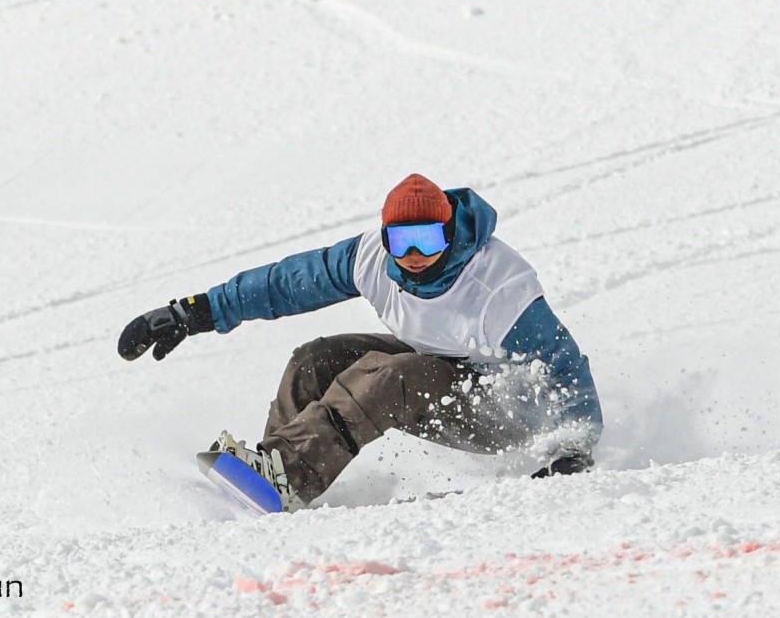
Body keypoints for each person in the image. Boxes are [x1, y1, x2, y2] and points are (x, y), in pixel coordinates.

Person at [118, 174, 602, 510]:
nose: (414, 255)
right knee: (316, 359)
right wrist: (196, 311)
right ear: (386, 237)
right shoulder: (371, 257)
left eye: (429, 240)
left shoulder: (496, 287)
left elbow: (563, 362)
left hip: (501, 412)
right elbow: (287, 283)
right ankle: (272, 471)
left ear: (450, 231)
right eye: (403, 241)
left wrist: (574, 448)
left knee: (388, 377)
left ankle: (289, 474)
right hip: (438, 368)